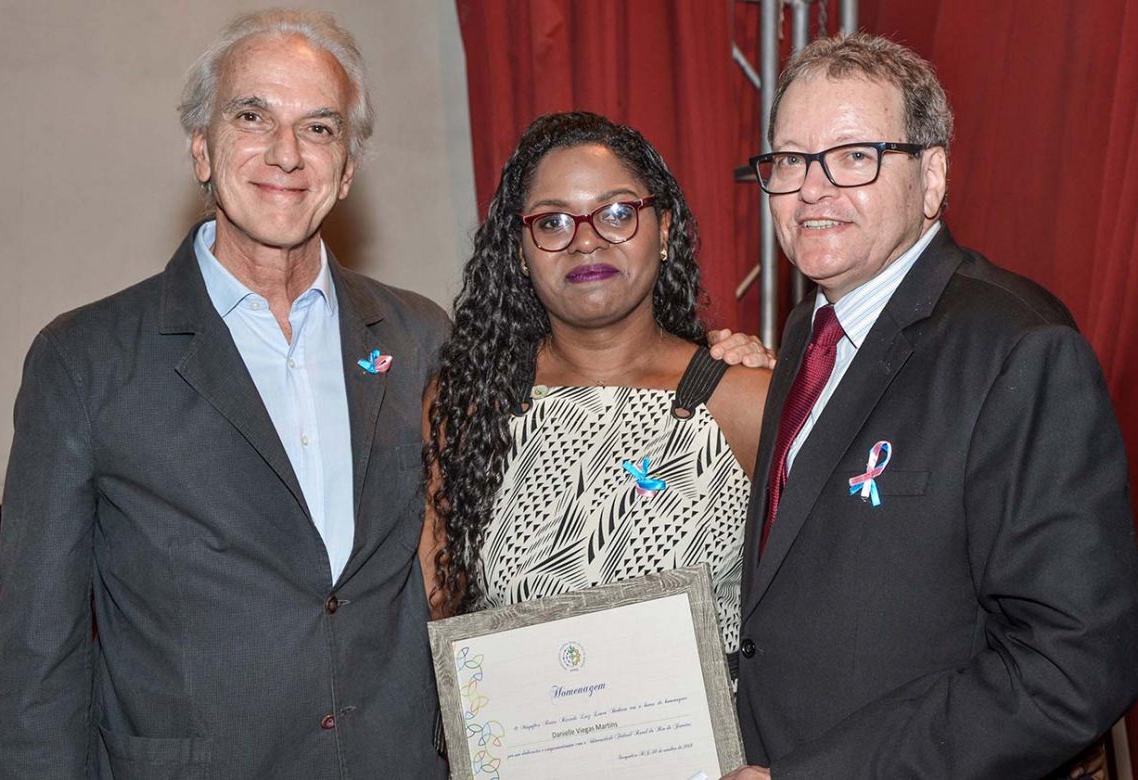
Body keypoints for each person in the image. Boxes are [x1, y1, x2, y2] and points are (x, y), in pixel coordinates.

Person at [0, 10, 449, 778]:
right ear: (202, 149)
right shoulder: (86, 361)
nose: (286, 153)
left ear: (347, 169)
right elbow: (40, 658)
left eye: (319, 128)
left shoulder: (421, 339)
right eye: (251, 117)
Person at [724, 33, 1138, 779]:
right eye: (790, 159)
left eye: (854, 156)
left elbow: (1071, 665)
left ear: (933, 176)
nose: (812, 188)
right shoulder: (810, 329)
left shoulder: (1020, 349)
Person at [420, 111, 772, 660]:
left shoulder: (744, 399)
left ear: (664, 230)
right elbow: (441, 614)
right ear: (520, 250)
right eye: (552, 222)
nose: (585, 241)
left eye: (616, 213)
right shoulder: (470, 402)